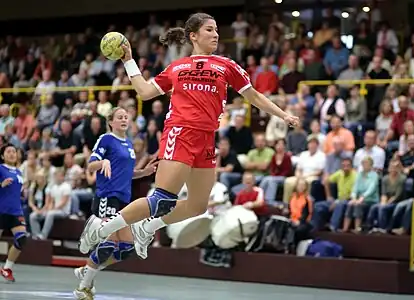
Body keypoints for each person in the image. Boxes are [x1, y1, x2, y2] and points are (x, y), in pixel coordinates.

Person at [78, 12, 299, 260]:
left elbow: (255, 96)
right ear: (193, 36)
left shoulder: (226, 65)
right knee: (162, 199)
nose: (215, 34)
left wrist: (283, 115)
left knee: (197, 206)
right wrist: (129, 60)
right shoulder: (177, 67)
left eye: (216, 30)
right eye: (209, 30)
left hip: (206, 138)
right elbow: (144, 92)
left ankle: (145, 228)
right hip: (180, 132)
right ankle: (100, 229)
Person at [73, 107, 158, 300]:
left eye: (126, 117)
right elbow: (91, 165)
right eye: (119, 117)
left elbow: (126, 173)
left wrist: (143, 173)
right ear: (110, 121)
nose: (124, 120)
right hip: (107, 196)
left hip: (123, 199)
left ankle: (86, 270)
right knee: (108, 245)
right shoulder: (106, 139)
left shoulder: (128, 143)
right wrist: (102, 163)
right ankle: (82, 288)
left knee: (126, 249)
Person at [0, 144, 28, 282]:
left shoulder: (19, 172)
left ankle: (7, 268)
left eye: (14, 152)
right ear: (2, 156)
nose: (11, 154)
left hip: (16, 211)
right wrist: (1, 185)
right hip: (1, 210)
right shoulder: (0, 169)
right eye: (8, 152)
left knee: (21, 239)